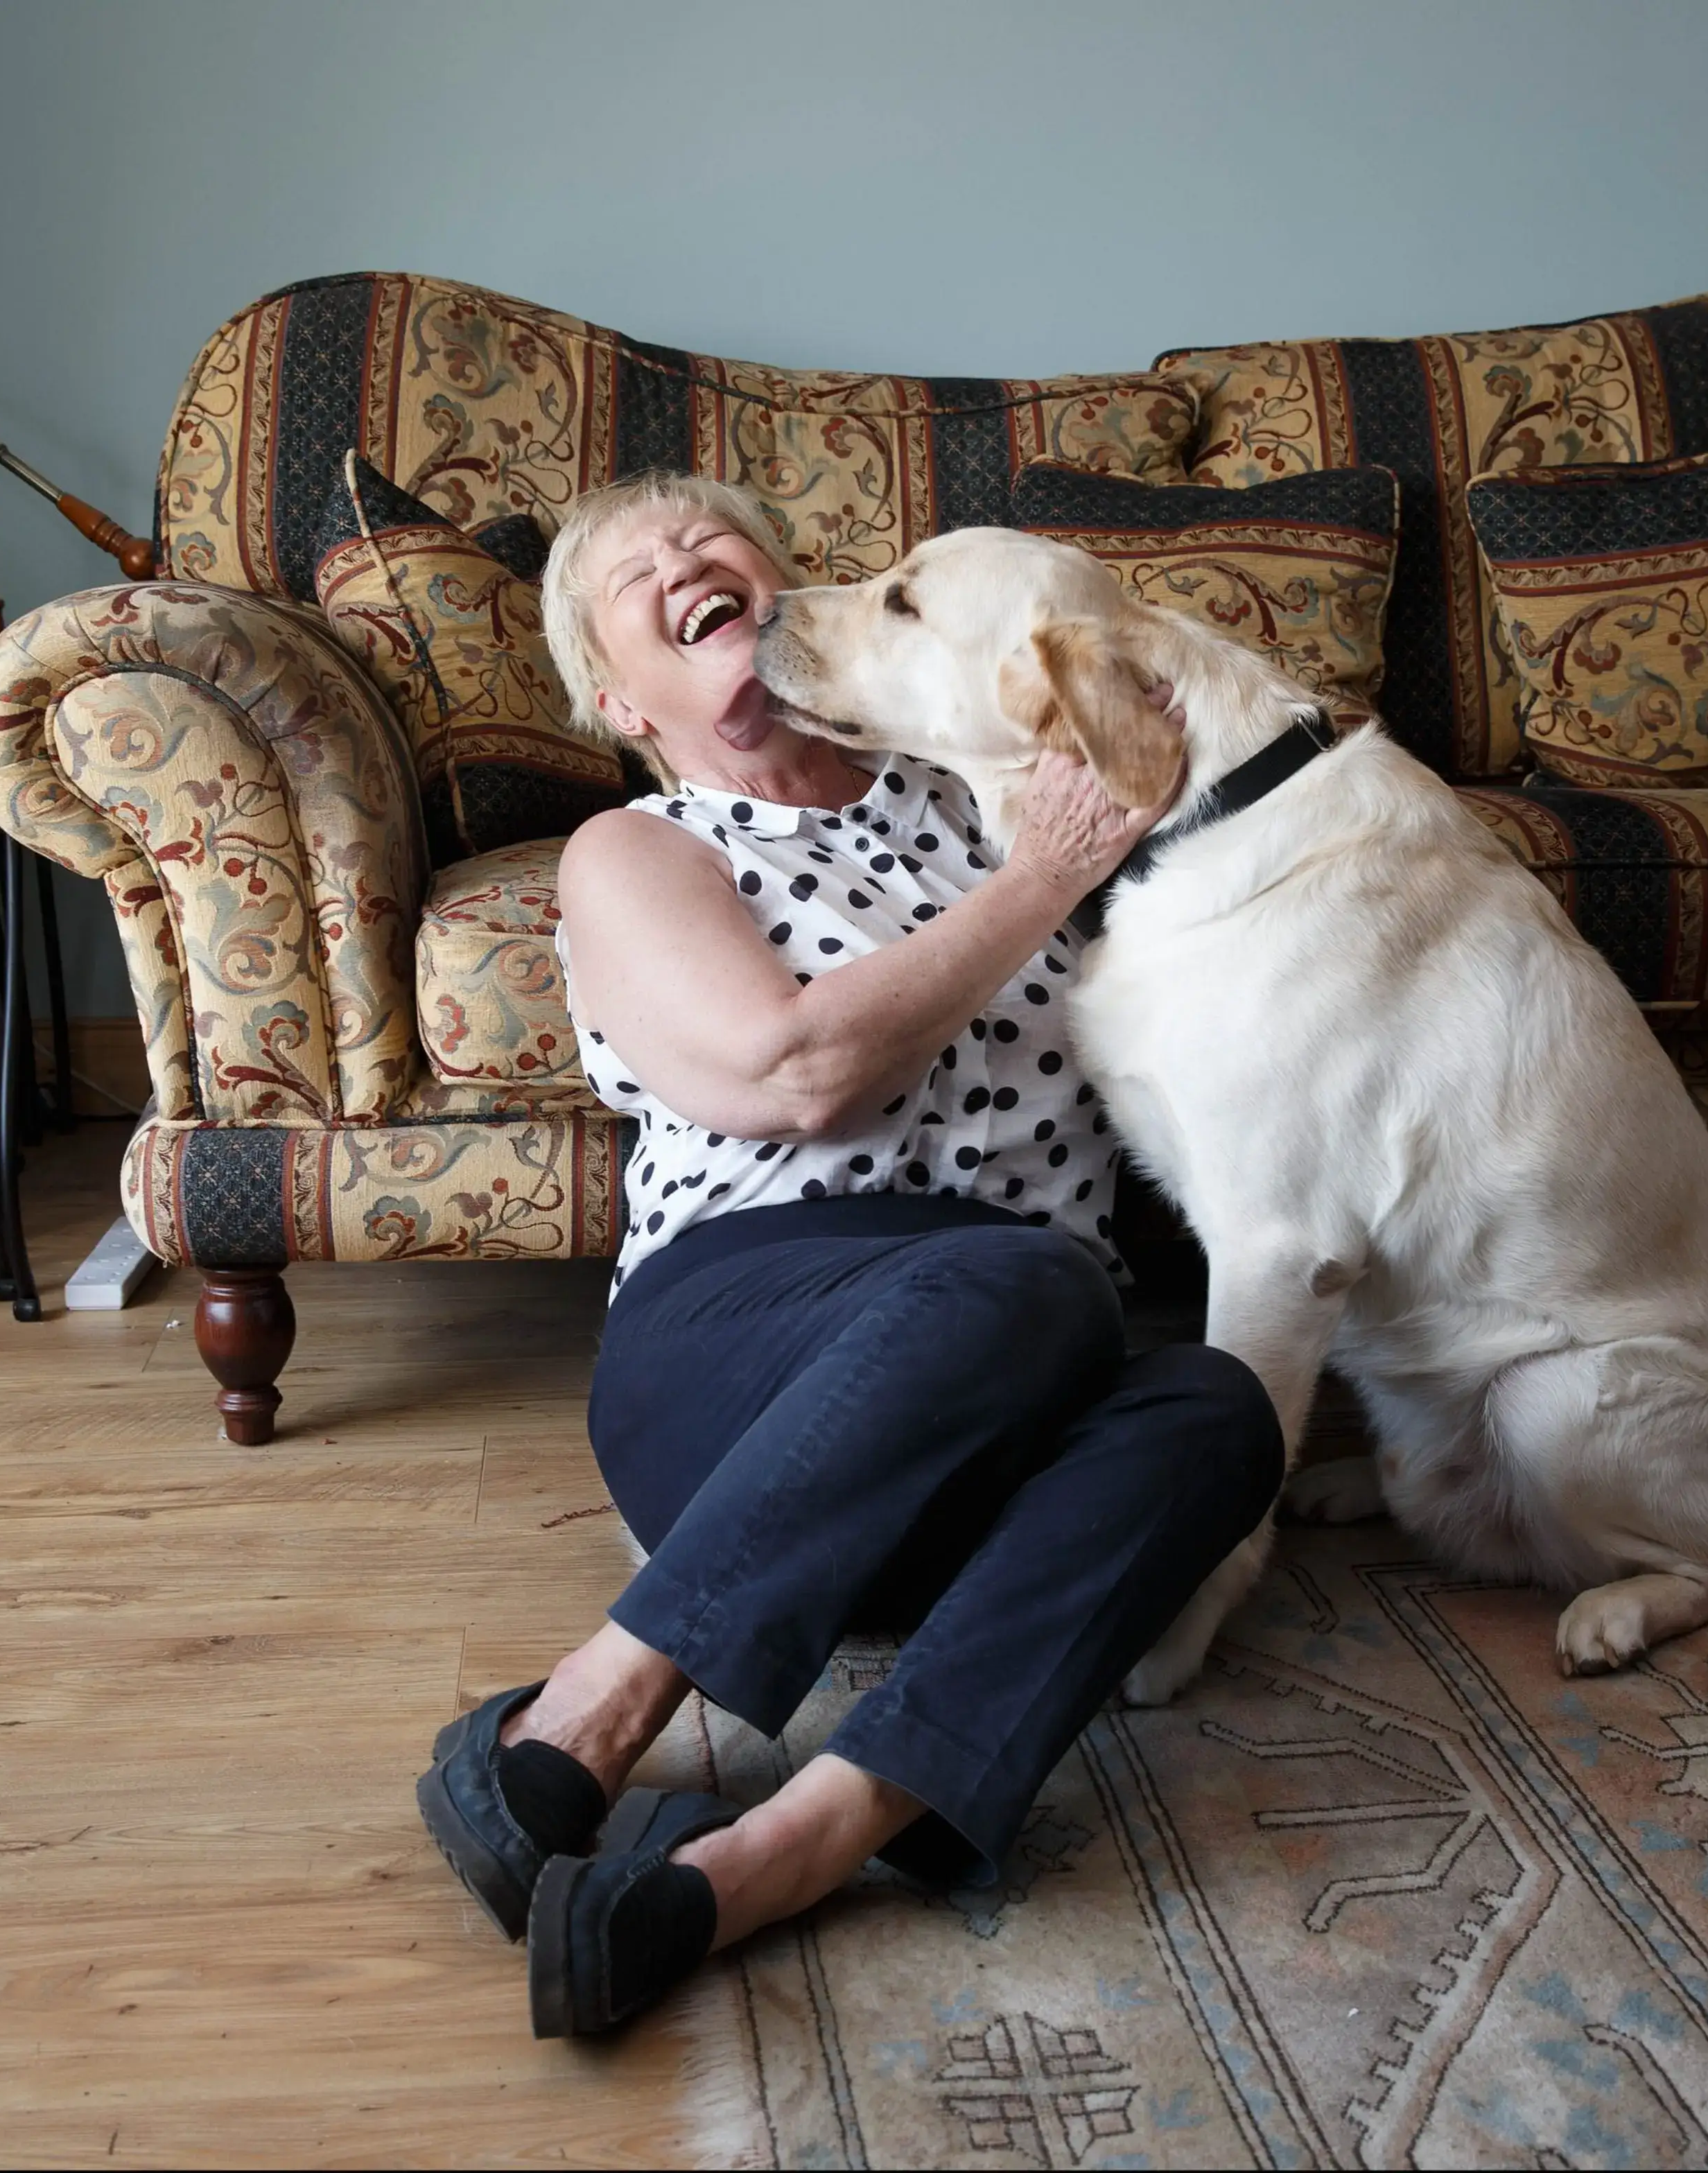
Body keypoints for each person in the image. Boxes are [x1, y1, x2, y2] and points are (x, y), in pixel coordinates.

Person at [415, 475, 1282, 2038]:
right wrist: (1039, 886)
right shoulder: (641, 847)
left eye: (713, 540)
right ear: (622, 700)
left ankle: (779, 1852)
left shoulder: (984, 787)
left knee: (1223, 1406)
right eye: (635, 576)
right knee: (1026, 1281)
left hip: (991, 1415)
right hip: (739, 1351)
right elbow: (792, 1069)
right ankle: (597, 1707)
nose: (684, 556)